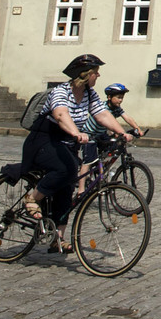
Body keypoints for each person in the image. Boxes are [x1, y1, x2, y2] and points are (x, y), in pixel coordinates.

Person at [20, 54, 132, 252]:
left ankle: (57, 238)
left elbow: (102, 114)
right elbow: (60, 114)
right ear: (85, 74)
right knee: (66, 170)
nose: (98, 76)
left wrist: (121, 132)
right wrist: (76, 132)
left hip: (66, 144)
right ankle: (32, 197)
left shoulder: (90, 94)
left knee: (67, 187)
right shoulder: (60, 92)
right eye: (95, 73)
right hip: (44, 141)